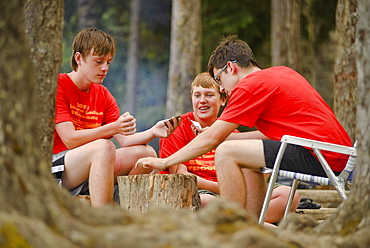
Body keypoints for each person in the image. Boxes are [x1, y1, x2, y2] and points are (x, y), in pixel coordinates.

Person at [136, 35, 352, 221]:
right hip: (337, 153)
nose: (222, 88)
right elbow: (269, 135)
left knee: (225, 153)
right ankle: (249, 224)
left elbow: (213, 140)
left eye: (219, 79)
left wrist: (165, 161)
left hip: (321, 155)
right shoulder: (281, 73)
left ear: (231, 67)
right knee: (244, 156)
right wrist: (223, 138)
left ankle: (231, 224)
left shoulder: (249, 86)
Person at [51, 28, 180, 208]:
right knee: (104, 146)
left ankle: (125, 206)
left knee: (145, 155)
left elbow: (125, 140)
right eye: (98, 62)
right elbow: (70, 140)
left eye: (108, 62)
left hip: (91, 167)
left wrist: (153, 131)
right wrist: (113, 128)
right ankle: (104, 216)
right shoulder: (59, 85)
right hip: (56, 169)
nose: (105, 68)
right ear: (79, 58)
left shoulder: (103, 94)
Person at [160, 72, 300, 224]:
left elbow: (249, 170)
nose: (202, 101)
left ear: (223, 100)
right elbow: (180, 174)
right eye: (197, 95)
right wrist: (222, 189)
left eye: (209, 95)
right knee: (206, 201)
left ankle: (242, 223)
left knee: (289, 194)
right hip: (202, 191)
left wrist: (239, 191)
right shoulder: (177, 128)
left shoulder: (232, 131)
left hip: (236, 193)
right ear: (191, 98)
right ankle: (251, 224)